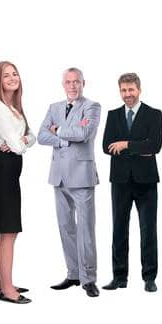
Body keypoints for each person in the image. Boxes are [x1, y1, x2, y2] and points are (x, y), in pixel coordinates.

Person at [37, 68, 104, 297]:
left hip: (82, 175)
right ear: (63, 84)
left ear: (84, 83)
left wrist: (59, 130)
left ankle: (89, 278)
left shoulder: (92, 106)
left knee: (85, 229)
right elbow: (41, 136)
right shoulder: (53, 107)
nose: (72, 86)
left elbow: (84, 132)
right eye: (68, 82)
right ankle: (73, 273)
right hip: (59, 175)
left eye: (77, 82)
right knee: (66, 227)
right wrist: (64, 139)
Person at [102, 73, 162, 293]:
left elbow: (154, 145)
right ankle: (119, 277)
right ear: (119, 91)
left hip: (146, 181)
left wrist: (126, 144)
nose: (127, 95)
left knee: (148, 229)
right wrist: (139, 147)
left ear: (139, 89)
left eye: (131, 90)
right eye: (123, 90)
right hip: (120, 181)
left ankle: (149, 277)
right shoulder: (113, 115)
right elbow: (106, 146)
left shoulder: (154, 114)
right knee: (119, 229)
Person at [0, 61, 35, 304]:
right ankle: (7, 290)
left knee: (4, 231)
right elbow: (16, 146)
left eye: (15, 73)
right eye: (7, 76)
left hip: (10, 172)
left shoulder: (14, 106)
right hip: (3, 171)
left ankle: (2, 283)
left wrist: (21, 140)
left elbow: (30, 136)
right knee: (8, 231)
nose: (13, 78)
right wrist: (19, 142)